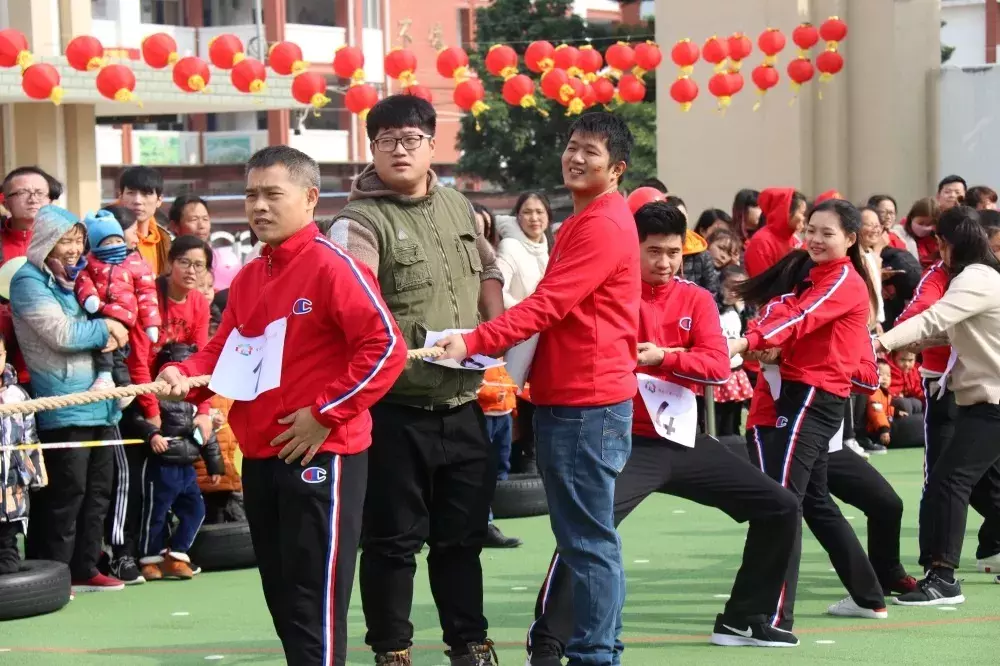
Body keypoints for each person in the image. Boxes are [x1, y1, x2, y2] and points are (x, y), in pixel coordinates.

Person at [157, 145, 406, 665]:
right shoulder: (250, 275)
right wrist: (185, 374)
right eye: (251, 195)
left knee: (315, 596)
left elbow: (386, 348)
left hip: (325, 453)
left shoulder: (333, 267)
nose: (259, 206)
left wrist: (324, 414)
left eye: (273, 194)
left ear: (310, 198)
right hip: (263, 454)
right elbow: (224, 349)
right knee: (283, 596)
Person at [525, 201, 800, 662]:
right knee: (590, 530)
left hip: (683, 438)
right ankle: (549, 641)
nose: (666, 262)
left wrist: (663, 357)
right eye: (654, 251)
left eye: (674, 252)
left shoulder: (695, 298)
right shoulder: (609, 294)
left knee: (781, 506)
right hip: (622, 438)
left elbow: (716, 364)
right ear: (631, 249)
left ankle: (744, 617)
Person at [436, 111, 639, 666]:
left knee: (588, 543)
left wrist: (475, 338)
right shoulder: (585, 219)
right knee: (587, 540)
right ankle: (600, 649)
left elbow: (549, 305)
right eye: (572, 146)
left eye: (591, 152)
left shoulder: (600, 224)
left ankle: (596, 655)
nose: (575, 157)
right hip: (577, 396)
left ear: (616, 168)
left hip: (585, 401)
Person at [326, 95, 504, 666]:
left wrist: (493, 332)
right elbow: (353, 309)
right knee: (392, 543)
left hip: (464, 402)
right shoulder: (356, 222)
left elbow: (491, 268)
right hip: (394, 409)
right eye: (385, 140)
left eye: (410, 139)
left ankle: (469, 643)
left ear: (433, 145)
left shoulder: (459, 206)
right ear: (371, 147)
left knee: (463, 539)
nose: (399, 150)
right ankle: (392, 650)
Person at [730, 198, 888, 629]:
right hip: (801, 398)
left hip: (804, 398)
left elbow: (801, 320)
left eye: (827, 233)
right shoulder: (815, 281)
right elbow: (797, 322)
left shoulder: (840, 281)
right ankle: (869, 595)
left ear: (851, 239)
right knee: (812, 501)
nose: (815, 239)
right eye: (810, 230)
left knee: (782, 504)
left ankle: (769, 616)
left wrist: (748, 343)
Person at [877, 205, 1000, 604]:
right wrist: (906, 342)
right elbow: (948, 330)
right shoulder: (984, 277)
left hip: (992, 402)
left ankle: (943, 578)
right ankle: (941, 572)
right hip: (980, 399)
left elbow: (934, 317)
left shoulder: (974, 278)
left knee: (950, 480)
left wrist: (881, 342)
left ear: (947, 244)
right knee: (968, 483)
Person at [10, 205, 128, 592]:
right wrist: (106, 327)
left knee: (98, 491)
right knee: (65, 493)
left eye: (78, 240)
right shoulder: (28, 280)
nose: (74, 249)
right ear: (46, 242)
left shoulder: (81, 277)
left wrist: (108, 326)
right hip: (62, 404)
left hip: (103, 403)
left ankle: (86, 566)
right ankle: (53, 573)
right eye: (66, 240)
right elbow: (60, 335)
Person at [138, 343, 224, 580]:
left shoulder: (197, 397)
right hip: (161, 464)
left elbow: (206, 434)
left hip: (187, 466)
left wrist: (214, 464)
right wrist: (152, 434)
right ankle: (149, 558)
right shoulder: (155, 393)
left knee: (196, 510)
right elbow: (138, 418)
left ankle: (177, 554)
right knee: (155, 513)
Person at [74, 210, 161, 393]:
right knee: (110, 349)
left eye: (117, 240)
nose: (137, 238)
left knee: (114, 348)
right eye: (132, 231)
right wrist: (89, 296)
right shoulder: (90, 261)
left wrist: (151, 323)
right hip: (98, 310)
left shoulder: (137, 263)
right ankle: (122, 386)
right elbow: (83, 279)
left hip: (123, 314)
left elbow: (147, 294)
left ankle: (108, 378)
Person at [0, 335, 44, 575]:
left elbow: (30, 436)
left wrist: (35, 475)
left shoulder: (19, 395)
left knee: (8, 545)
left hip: (11, 480)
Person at [715, 265, 754, 435]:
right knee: (715, 418)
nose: (734, 292)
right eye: (730, 287)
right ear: (720, 285)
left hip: (736, 371)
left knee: (734, 418)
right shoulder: (712, 309)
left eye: (740, 288)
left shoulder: (742, 311)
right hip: (716, 374)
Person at [495, 192, 551, 308]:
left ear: (548, 216)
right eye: (527, 212)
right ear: (518, 216)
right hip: (518, 321)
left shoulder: (551, 250)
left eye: (539, 212)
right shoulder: (509, 246)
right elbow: (498, 292)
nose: (534, 218)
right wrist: (526, 312)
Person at [1, 166, 62, 265]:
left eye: (40, 193)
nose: (33, 200)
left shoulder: (64, 240)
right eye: (22, 193)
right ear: (6, 204)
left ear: (50, 201)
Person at [742, 188, 807, 278]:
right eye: (802, 213)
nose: (803, 218)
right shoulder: (761, 242)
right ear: (786, 212)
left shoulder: (795, 240)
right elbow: (762, 282)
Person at [119, 166, 171, 274]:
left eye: (146, 193)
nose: (138, 201)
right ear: (121, 197)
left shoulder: (165, 242)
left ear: (159, 200)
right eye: (131, 193)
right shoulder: (110, 239)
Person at [897, 197, 941, 268]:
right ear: (911, 218)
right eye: (920, 223)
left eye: (929, 224)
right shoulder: (899, 235)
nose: (925, 227)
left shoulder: (937, 239)